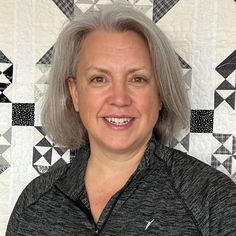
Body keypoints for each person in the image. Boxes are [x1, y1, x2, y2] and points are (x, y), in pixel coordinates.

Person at [6, 4, 236, 236]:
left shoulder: (214, 202)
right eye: (99, 79)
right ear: (75, 94)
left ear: (160, 94)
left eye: (137, 79)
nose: (119, 99)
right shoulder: (33, 204)